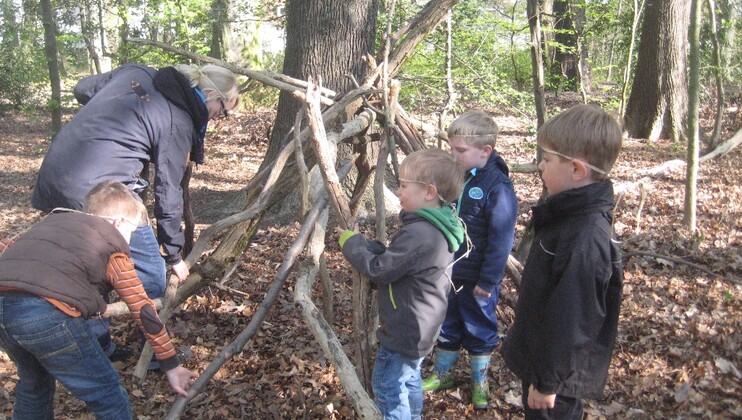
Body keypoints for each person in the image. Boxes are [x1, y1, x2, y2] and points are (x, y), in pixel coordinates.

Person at [31, 63, 239, 362]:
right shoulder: (176, 119)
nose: (220, 117)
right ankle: (153, 354)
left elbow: (82, 89)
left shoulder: (137, 72)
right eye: (224, 109)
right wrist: (174, 255)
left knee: (90, 265)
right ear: (208, 95)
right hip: (100, 194)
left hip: (56, 176)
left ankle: (97, 345)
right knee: (151, 274)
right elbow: (168, 191)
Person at [0, 180, 198, 419]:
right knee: (108, 394)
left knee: (35, 386)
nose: (129, 241)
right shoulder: (111, 244)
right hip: (46, 316)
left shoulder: (52, 223)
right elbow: (142, 307)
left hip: (4, 310)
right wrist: (171, 363)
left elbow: (13, 253)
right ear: (118, 223)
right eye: (132, 232)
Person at [501, 104, 623, 419]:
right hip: (544, 359)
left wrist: (547, 382)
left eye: (546, 159)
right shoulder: (566, 214)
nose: (540, 166)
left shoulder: (586, 237)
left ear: (577, 170)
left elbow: (575, 318)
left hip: (556, 378)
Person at [336, 149, 465, 419]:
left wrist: (351, 243)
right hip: (422, 326)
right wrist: (368, 245)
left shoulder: (420, 234)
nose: (398, 190)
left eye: (405, 185)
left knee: (388, 385)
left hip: (405, 328)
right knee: (409, 378)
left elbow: (380, 270)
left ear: (429, 192)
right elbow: (398, 260)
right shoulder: (433, 228)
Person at [422, 110, 518, 410]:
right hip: (449, 271)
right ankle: (443, 374)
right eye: (452, 148)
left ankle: (480, 382)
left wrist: (489, 280)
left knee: (480, 326)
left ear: (485, 151)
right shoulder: (456, 177)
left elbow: (501, 239)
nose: (454, 155)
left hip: (478, 278)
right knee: (447, 322)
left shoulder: (497, 187)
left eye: (460, 150)